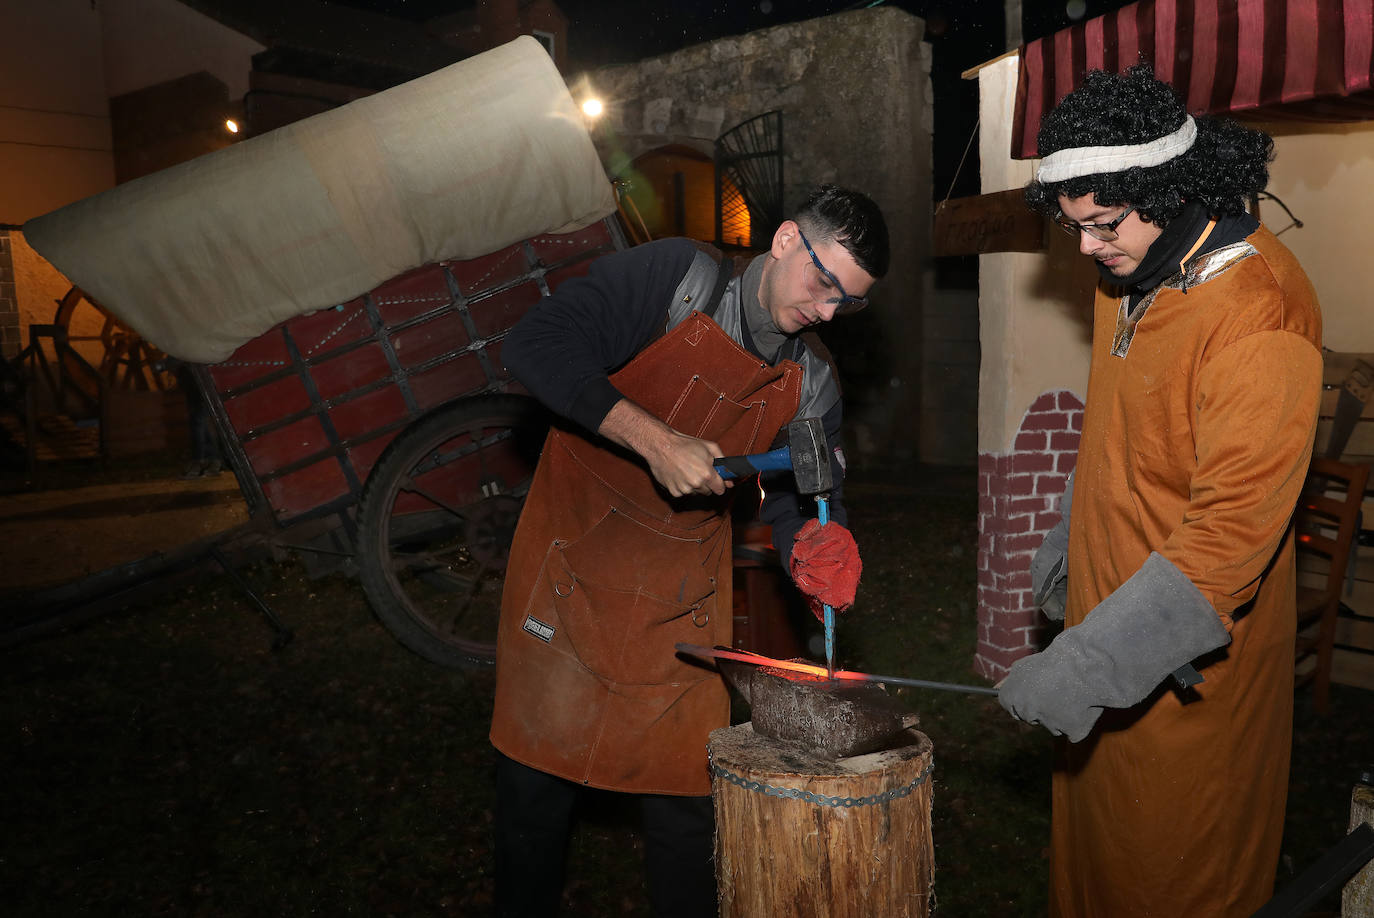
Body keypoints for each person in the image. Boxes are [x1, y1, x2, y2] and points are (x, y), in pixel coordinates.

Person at [488, 185, 888, 917]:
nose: (828, 311)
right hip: (571, 569)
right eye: (825, 283)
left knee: (686, 815)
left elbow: (808, 494)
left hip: (680, 604)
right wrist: (657, 441)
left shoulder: (814, 381)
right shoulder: (677, 280)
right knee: (531, 806)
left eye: (847, 303)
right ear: (787, 239)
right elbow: (533, 345)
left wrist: (816, 543)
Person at [998, 66, 1323, 916]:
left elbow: (1225, 546)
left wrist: (1088, 663)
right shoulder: (1129, 268)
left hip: (1186, 675)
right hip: (1104, 630)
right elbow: (1115, 431)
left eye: (1102, 224)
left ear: (1170, 190)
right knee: (1095, 872)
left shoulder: (1259, 315)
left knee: (1172, 876)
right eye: (1071, 225)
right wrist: (1066, 544)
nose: (1085, 249)